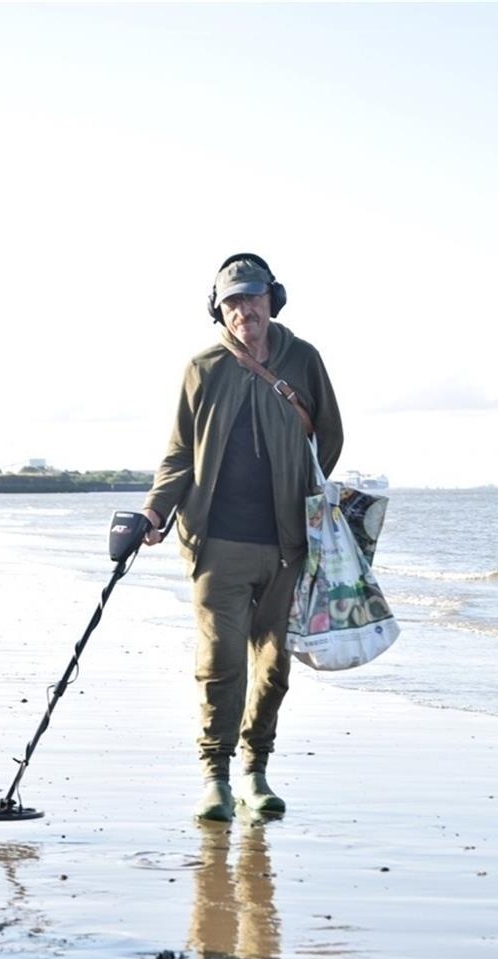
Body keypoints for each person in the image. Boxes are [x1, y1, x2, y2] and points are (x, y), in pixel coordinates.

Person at [142, 253, 343, 822]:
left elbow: (329, 436)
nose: (244, 309)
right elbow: (179, 453)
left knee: (274, 666)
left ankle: (255, 770)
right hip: (216, 543)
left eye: (253, 297)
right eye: (232, 301)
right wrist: (154, 512)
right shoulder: (202, 368)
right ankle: (216, 776)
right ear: (219, 309)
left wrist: (298, 491)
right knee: (221, 660)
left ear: (271, 299)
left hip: (286, 545)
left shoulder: (304, 360)